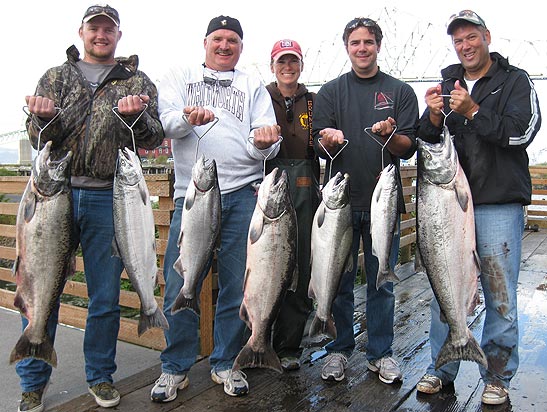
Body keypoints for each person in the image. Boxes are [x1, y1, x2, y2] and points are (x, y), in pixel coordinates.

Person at [18, 4, 164, 412]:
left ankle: (100, 376)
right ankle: (32, 382)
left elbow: (153, 136)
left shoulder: (136, 80)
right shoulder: (56, 76)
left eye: (109, 29)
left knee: (103, 296)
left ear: (118, 35)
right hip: (56, 195)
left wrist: (137, 117)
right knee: (42, 287)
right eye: (94, 28)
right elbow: (36, 138)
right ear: (82, 32)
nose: (102, 35)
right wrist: (41, 117)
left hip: (110, 198)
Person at [415, 10, 541, 405]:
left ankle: (497, 375)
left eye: (471, 37)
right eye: (458, 41)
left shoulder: (514, 80)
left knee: (499, 291)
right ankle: (441, 367)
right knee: (445, 286)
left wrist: (472, 111)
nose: (465, 46)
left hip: (497, 203)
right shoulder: (446, 83)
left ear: (487, 37)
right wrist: (434, 115)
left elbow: (523, 131)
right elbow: (426, 141)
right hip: (449, 207)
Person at [151, 15, 280, 402]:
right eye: (218, 39)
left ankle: (226, 361)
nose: (225, 46)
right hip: (193, 196)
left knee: (238, 284)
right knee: (180, 282)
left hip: (243, 194)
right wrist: (188, 119)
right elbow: (167, 124)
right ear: (205, 42)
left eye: (233, 41)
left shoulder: (252, 84)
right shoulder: (178, 74)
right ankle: (174, 368)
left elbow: (266, 146)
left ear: (241, 47)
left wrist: (264, 141)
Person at [312, 17, 418, 384]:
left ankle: (381, 353)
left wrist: (392, 136)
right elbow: (319, 147)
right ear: (347, 47)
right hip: (340, 204)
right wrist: (328, 138)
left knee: (382, 281)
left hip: (384, 203)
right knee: (337, 279)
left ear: (378, 45)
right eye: (355, 42)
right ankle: (339, 349)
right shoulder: (329, 92)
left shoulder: (400, 91)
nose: (362, 48)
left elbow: (408, 147)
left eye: (368, 42)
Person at [265, 39, 320, 371]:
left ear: (301, 64)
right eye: (281, 61)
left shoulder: (314, 102)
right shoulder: (260, 97)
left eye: (293, 61)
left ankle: (288, 346)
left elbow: (326, 146)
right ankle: (256, 338)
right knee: (263, 267)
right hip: (266, 190)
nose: (288, 67)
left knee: (299, 267)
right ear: (272, 65)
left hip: (304, 190)